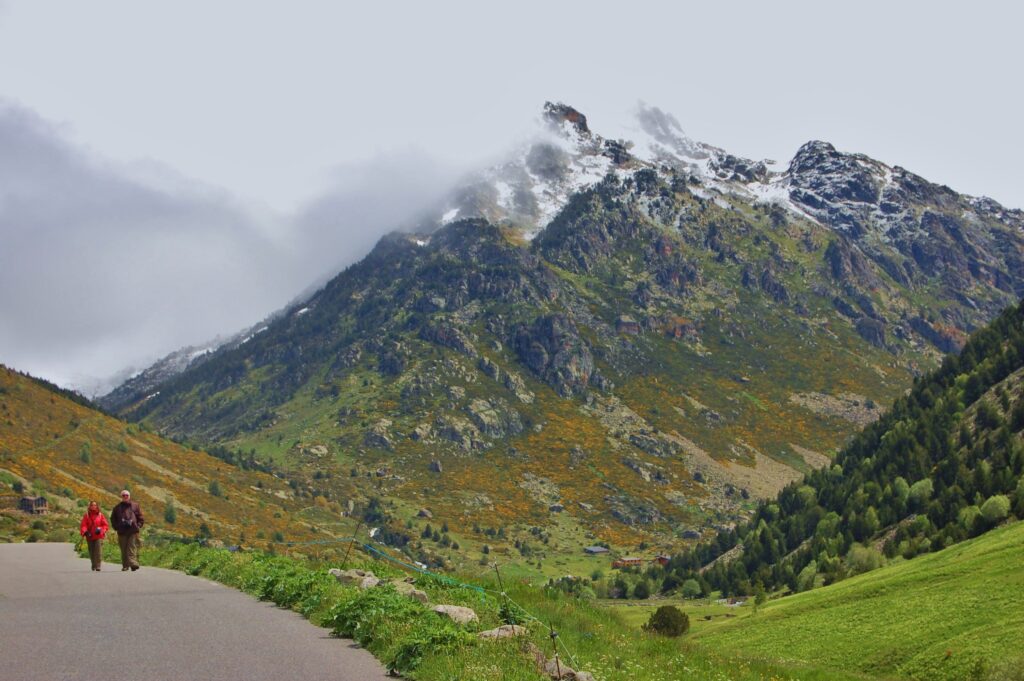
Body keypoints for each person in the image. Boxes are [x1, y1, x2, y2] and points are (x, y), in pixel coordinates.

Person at [110, 490, 144, 571]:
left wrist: (138, 525)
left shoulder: (135, 505)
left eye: (127, 495)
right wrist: (116, 527)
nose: (125, 497)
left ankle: (133, 564)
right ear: (121, 497)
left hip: (132, 530)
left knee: (131, 547)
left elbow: (140, 517)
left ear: (129, 496)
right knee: (124, 548)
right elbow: (113, 519)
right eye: (123, 495)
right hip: (122, 531)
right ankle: (125, 566)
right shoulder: (117, 508)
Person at [79, 500, 109, 571]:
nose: (93, 506)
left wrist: (101, 530)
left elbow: (105, 525)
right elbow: (83, 525)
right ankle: (93, 564)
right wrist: (85, 532)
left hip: (99, 536)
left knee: (98, 551)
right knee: (91, 551)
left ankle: (98, 565)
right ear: (89, 506)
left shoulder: (100, 515)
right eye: (92, 505)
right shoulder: (86, 515)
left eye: (95, 505)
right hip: (89, 536)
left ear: (97, 506)